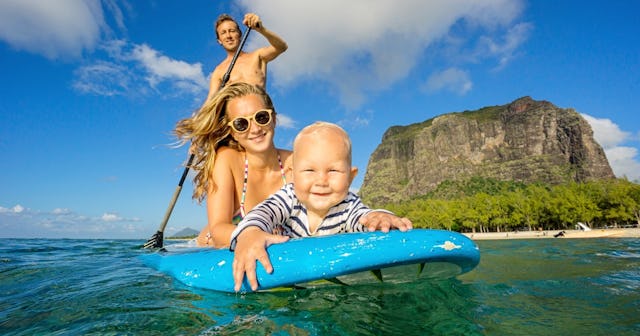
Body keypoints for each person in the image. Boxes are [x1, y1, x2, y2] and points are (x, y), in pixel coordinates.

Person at [230, 122, 413, 292]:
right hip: (287, 280)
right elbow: (265, 212)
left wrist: (381, 217)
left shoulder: (348, 204)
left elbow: (364, 217)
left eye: (333, 170)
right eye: (309, 170)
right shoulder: (289, 197)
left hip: (330, 288)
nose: (321, 181)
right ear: (292, 175)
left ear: (350, 177)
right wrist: (250, 232)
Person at [174, 82, 293, 248]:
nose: (255, 129)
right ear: (233, 133)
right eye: (241, 124)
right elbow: (218, 229)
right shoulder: (227, 159)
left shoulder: (296, 163)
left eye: (261, 117)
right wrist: (253, 235)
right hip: (210, 244)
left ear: (273, 119)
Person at [205, 13, 288, 102]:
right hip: (235, 115)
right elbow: (210, 101)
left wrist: (261, 29)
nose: (228, 36)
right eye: (223, 32)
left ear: (240, 34)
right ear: (219, 40)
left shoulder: (257, 56)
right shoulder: (218, 71)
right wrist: (197, 116)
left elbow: (281, 47)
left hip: (260, 113)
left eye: (232, 31)